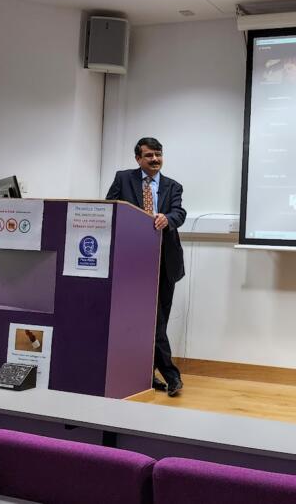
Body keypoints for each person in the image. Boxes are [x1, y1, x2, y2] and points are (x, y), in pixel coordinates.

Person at [105, 137, 186, 397]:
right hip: (132, 262)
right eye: (149, 155)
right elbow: (110, 208)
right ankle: (169, 376)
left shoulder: (173, 186)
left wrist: (167, 218)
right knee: (146, 321)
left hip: (165, 261)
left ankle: (151, 375)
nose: (155, 159)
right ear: (138, 158)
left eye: (158, 154)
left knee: (158, 320)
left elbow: (179, 213)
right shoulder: (123, 179)